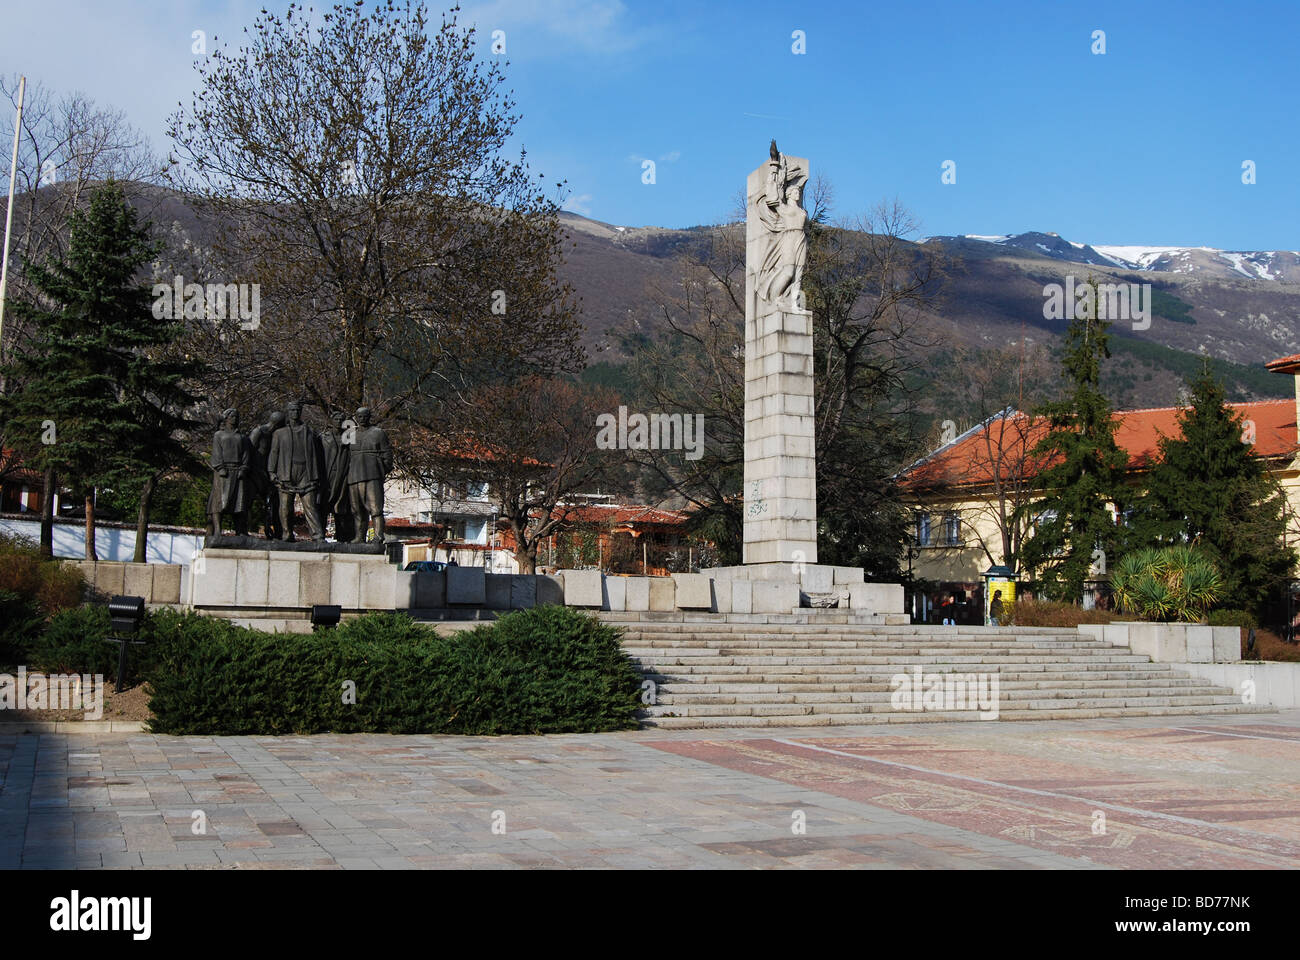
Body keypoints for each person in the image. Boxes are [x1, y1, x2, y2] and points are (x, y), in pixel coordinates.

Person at [268, 400, 326, 542]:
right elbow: (274, 453)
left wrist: (317, 475)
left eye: (297, 410)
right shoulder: (279, 433)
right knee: (285, 507)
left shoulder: (310, 432)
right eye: (292, 410)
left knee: (310, 505)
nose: (295, 413)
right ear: (288, 412)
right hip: (286, 471)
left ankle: (317, 535)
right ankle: (287, 534)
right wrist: (272, 472)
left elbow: (318, 455)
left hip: (306, 472)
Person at [347, 406, 394, 543]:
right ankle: (359, 537)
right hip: (354, 476)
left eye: (364, 416)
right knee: (357, 510)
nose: (362, 419)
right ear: (356, 418)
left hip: (373, 475)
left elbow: (387, 454)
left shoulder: (378, 433)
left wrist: (380, 470)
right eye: (359, 416)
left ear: (369, 417)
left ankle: (378, 536)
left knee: (376, 508)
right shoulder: (351, 435)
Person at [208, 408, 251, 537]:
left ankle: (240, 530)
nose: (235, 418)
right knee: (219, 501)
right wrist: (220, 467)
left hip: (238, 471)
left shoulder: (242, 437)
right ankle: (217, 530)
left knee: (239, 503)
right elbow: (216, 453)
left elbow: (246, 454)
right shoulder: (219, 435)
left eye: (236, 416)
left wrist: (244, 468)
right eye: (232, 416)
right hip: (223, 472)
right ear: (226, 418)